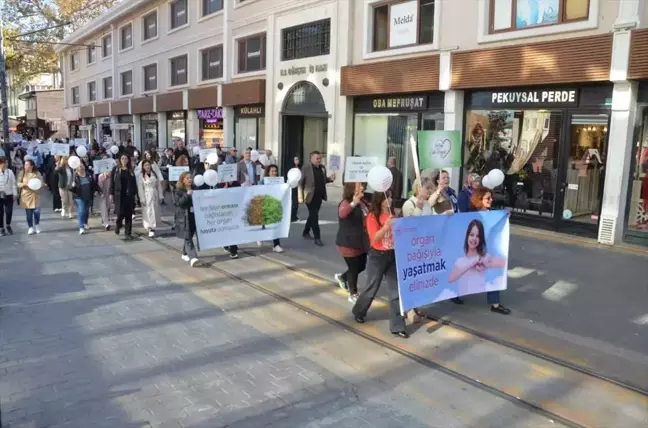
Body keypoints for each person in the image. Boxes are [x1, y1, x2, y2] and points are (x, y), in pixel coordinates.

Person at [351, 192, 408, 339]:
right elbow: (374, 238)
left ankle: (398, 326)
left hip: (392, 254)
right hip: (377, 255)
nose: (390, 200)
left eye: (390, 197)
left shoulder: (392, 213)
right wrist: (386, 227)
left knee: (395, 291)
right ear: (380, 200)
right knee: (372, 287)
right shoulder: (373, 216)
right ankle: (359, 311)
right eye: (387, 198)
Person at [447, 187, 511, 314]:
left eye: (491, 198)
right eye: (488, 198)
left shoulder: (492, 214)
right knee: (465, 271)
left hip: (486, 251)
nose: (491, 200)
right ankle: (454, 293)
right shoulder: (470, 215)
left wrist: (505, 216)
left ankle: (495, 304)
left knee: (492, 273)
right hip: (473, 251)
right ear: (480, 199)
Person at [334, 182, 369, 304]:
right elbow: (342, 214)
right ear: (352, 190)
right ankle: (353, 293)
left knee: (362, 265)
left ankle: (342, 277)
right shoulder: (345, 203)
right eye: (359, 187)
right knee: (354, 268)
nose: (363, 188)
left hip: (361, 242)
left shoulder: (364, 203)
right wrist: (354, 203)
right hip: (347, 242)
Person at [299, 151, 335, 246]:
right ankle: (317, 237)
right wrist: (300, 197)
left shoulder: (322, 168)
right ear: (311, 158)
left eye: (320, 158)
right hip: (310, 197)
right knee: (314, 216)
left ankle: (305, 232)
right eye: (317, 158)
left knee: (312, 215)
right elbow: (300, 183)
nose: (319, 160)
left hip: (319, 196)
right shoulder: (306, 168)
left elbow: (323, 180)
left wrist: (330, 179)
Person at [110, 154, 137, 240]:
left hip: (129, 195)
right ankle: (118, 224)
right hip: (119, 194)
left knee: (129, 214)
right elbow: (112, 182)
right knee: (120, 213)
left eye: (126, 158)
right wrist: (111, 193)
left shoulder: (131, 170)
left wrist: (135, 194)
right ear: (120, 160)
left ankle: (128, 233)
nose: (124, 160)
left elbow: (134, 182)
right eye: (122, 158)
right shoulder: (116, 169)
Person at [174, 171, 199, 267]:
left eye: (190, 178)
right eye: (187, 178)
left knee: (189, 235)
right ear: (182, 180)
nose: (190, 180)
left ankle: (184, 253)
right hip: (184, 217)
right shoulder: (179, 190)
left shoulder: (195, 188)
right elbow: (179, 203)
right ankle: (193, 257)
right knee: (188, 237)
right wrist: (187, 195)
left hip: (193, 215)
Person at [259, 164, 284, 253]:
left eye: (275, 171)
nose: (274, 173)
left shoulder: (280, 181)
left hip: (275, 205)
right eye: (272, 171)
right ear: (268, 172)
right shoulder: (263, 181)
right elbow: (259, 191)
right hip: (265, 204)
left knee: (276, 224)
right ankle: (260, 236)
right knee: (264, 223)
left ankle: (276, 244)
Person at [71, 162, 99, 235]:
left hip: (88, 196)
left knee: (86, 211)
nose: (81, 168)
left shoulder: (88, 174)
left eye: (82, 166)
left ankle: (85, 223)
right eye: (79, 166)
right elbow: (70, 188)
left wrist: (96, 191)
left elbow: (94, 184)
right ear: (77, 168)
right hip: (79, 197)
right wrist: (72, 186)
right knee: (81, 210)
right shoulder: (75, 176)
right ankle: (81, 227)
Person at [17, 159, 45, 235]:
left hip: (35, 195)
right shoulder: (22, 173)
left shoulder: (37, 173)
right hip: (26, 195)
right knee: (28, 213)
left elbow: (41, 182)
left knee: (37, 212)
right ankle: (30, 227)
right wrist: (24, 184)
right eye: (25, 165)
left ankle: (37, 225)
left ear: (31, 166)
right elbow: (18, 183)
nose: (25, 166)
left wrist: (41, 184)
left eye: (27, 165)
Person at [137, 159, 163, 237]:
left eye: (148, 165)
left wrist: (161, 195)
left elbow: (159, 186)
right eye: (145, 165)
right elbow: (140, 188)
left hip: (154, 193)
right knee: (148, 211)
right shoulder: (141, 176)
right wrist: (142, 198)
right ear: (143, 167)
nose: (147, 166)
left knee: (154, 210)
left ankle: (153, 227)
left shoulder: (154, 174)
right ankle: (150, 228)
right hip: (146, 194)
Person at [0, 154, 18, 236]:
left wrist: (15, 194)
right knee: (0, 212)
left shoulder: (10, 172)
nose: (6, 164)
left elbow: (14, 183)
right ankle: (1, 228)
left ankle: (8, 225)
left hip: (9, 194)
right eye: (4, 162)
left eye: (7, 162)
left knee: (9, 211)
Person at [287, 156, 301, 222]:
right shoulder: (291, 169)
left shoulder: (299, 168)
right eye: (295, 159)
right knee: (294, 202)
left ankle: (294, 215)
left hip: (298, 187)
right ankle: (292, 217)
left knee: (296, 202)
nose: (297, 161)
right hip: (293, 186)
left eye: (298, 159)